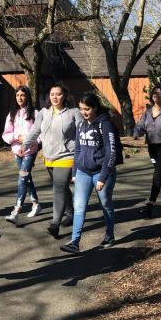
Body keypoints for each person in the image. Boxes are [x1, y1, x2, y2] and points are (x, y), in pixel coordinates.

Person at [60, 92, 117, 254]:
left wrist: (103, 177)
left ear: (95, 108)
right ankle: (74, 242)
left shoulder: (105, 124)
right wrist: (74, 172)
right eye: (81, 109)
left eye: (87, 109)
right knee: (79, 208)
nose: (83, 112)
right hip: (83, 173)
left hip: (101, 173)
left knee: (105, 205)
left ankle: (110, 235)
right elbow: (77, 150)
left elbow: (111, 152)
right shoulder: (81, 125)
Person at [23, 84, 82, 237]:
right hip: (49, 157)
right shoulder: (43, 113)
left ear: (65, 96)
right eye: (52, 94)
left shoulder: (73, 113)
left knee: (58, 187)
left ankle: (55, 222)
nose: (55, 97)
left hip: (67, 155)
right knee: (62, 188)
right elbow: (35, 130)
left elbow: (82, 133)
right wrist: (26, 144)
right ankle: (70, 214)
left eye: (58, 94)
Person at [134, 84, 161, 219]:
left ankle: (150, 205)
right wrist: (137, 133)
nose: (156, 94)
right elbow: (141, 126)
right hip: (152, 148)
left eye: (159, 93)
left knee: (157, 174)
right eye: (154, 92)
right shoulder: (148, 112)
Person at [1, 85, 41, 225]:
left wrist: (29, 140)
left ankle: (16, 211)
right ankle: (36, 204)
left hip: (30, 152)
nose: (20, 98)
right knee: (26, 178)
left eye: (22, 95)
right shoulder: (13, 114)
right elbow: (5, 134)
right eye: (17, 95)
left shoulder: (35, 114)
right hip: (17, 152)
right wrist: (16, 136)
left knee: (22, 179)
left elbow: (41, 134)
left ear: (27, 96)